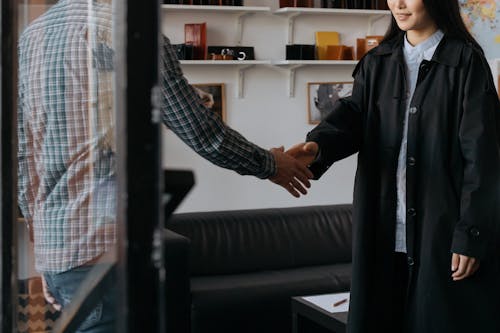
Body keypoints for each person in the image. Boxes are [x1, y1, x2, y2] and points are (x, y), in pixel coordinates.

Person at [17, 0, 312, 332]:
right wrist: (272, 164)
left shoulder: (32, 36)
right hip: (107, 253)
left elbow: (23, 158)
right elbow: (202, 132)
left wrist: (45, 252)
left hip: (62, 255)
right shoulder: (126, 28)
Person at [288, 0, 500, 332]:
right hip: (383, 230)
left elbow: (483, 159)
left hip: (440, 234)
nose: (398, 4)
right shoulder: (377, 62)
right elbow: (352, 118)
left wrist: (471, 235)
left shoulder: (465, 63)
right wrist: (317, 146)